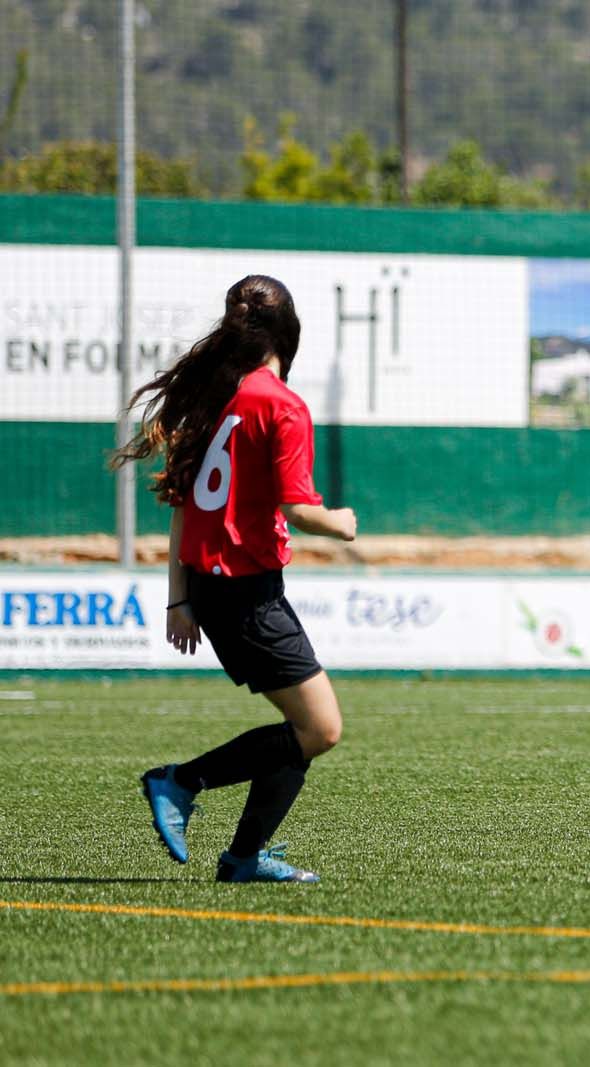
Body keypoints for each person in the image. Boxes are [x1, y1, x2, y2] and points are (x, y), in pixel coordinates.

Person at [111, 275, 357, 882]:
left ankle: (244, 857)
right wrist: (342, 524)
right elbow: (300, 511)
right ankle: (180, 782)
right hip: (246, 594)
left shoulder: (218, 397)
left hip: (217, 589)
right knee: (320, 728)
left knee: (302, 728)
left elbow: (182, 507)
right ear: (289, 334)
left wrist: (179, 598)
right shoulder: (280, 404)